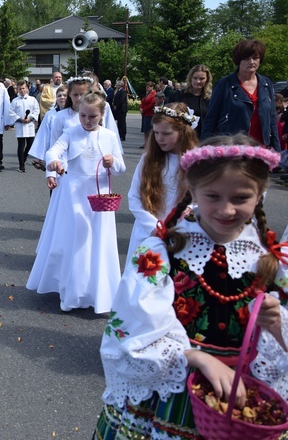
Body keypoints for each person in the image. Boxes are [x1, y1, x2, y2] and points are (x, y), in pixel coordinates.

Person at [95, 134, 288, 439]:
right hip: (173, 391)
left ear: (259, 194)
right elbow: (135, 324)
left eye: (240, 198)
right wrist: (196, 357)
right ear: (193, 191)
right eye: (213, 196)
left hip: (242, 397)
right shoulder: (162, 252)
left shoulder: (271, 259)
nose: (226, 210)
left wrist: (278, 325)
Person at [26, 91, 125, 313]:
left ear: (101, 115)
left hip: (99, 195)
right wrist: (53, 163)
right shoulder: (71, 132)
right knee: (75, 241)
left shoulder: (109, 136)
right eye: (83, 116)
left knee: (96, 242)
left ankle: (95, 291)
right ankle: (71, 290)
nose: (87, 121)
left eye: (93, 117)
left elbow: (121, 168)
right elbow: (54, 150)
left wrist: (112, 163)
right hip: (73, 195)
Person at [126, 102, 198, 260]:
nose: (159, 138)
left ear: (183, 132)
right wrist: (155, 227)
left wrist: (187, 214)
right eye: (156, 133)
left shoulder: (196, 163)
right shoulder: (148, 159)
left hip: (181, 233)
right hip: (148, 231)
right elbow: (134, 196)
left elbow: (199, 200)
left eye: (166, 133)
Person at [203, 40, 279, 150]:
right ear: (239, 60)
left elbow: (272, 119)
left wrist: (276, 150)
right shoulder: (224, 84)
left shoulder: (266, 84)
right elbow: (211, 119)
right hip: (231, 147)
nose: (252, 62)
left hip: (260, 148)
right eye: (247, 58)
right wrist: (205, 149)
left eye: (255, 58)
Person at [29, 85, 67, 171]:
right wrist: (41, 155)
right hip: (54, 151)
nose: (62, 98)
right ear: (56, 98)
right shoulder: (50, 115)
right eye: (59, 96)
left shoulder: (76, 114)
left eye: (65, 95)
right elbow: (43, 135)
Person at [171, 64, 212, 138]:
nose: (198, 81)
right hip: (182, 138)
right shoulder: (179, 95)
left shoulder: (210, 98)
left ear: (207, 80)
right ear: (190, 78)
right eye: (195, 78)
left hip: (203, 139)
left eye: (202, 78)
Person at [8, 80, 40, 172]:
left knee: (30, 145)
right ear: (17, 90)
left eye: (23, 88)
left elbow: (36, 110)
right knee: (21, 145)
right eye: (20, 89)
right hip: (20, 125)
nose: (22, 90)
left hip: (30, 125)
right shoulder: (15, 101)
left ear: (27, 88)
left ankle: (24, 157)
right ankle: (21, 165)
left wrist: (30, 118)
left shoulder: (32, 99)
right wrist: (19, 119)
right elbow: (11, 112)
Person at [139, 82, 157, 148]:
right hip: (145, 114)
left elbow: (151, 105)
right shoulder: (147, 94)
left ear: (152, 87)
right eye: (146, 87)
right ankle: (145, 142)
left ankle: (149, 143)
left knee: (149, 130)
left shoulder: (154, 94)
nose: (147, 88)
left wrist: (144, 110)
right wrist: (141, 108)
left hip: (149, 113)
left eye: (148, 87)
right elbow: (143, 102)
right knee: (145, 130)